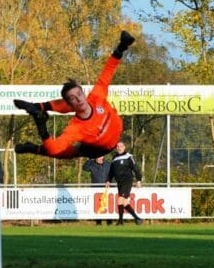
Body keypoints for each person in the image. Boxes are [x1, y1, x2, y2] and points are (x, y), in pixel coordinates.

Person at [13, 31, 136, 159]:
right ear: (70, 104)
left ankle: (38, 106)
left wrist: (121, 47)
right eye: (73, 98)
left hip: (117, 132)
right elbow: (54, 149)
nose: (78, 99)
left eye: (79, 94)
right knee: (63, 153)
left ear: (83, 93)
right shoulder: (75, 128)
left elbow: (108, 71)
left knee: (79, 102)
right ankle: (33, 147)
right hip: (98, 149)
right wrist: (41, 127)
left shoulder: (96, 96)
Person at [106, 141, 143, 225]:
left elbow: (135, 168)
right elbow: (111, 171)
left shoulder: (128, 157)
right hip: (119, 182)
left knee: (119, 201)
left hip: (127, 181)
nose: (119, 148)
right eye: (118, 146)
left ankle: (120, 221)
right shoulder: (114, 158)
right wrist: (108, 180)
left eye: (121, 146)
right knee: (125, 203)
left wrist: (138, 180)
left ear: (124, 147)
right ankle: (138, 219)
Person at [84, 156, 112, 225]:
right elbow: (85, 168)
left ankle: (109, 222)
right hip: (95, 188)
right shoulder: (92, 164)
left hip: (106, 189)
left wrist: (109, 181)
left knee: (107, 205)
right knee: (97, 205)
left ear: (103, 157)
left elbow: (112, 175)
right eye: (96, 156)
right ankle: (98, 222)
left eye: (99, 156)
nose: (98, 158)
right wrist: (90, 159)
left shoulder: (108, 165)